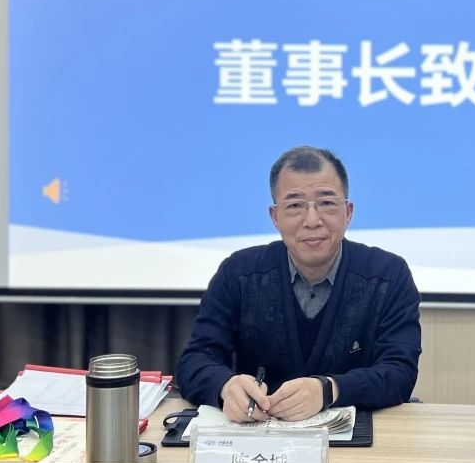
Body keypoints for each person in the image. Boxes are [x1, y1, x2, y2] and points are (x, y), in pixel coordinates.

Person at [176, 146, 421, 422]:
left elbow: (400, 373)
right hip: (257, 435)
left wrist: (330, 390)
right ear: (275, 217)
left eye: (326, 203)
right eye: (295, 206)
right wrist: (225, 386)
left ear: (348, 212)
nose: (312, 220)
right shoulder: (239, 274)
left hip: (355, 439)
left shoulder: (388, 275)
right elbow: (194, 361)